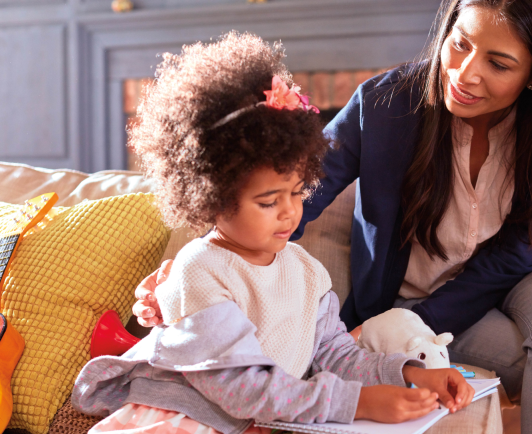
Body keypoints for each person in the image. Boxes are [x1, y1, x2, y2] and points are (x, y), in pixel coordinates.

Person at [135, 1, 532, 432]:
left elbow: (519, 251)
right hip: (410, 292)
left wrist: (416, 323)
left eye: (498, 63)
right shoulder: (385, 103)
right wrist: (201, 262)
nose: (465, 73)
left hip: (506, 282)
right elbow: (293, 189)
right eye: (460, 44)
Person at [73, 32, 474, 434]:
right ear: (211, 198)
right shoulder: (200, 269)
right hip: (181, 418)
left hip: (256, 420)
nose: (289, 212)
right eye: (268, 202)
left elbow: (336, 355)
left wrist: (409, 373)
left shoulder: (305, 270)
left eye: (298, 193)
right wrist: (359, 404)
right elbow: (242, 387)